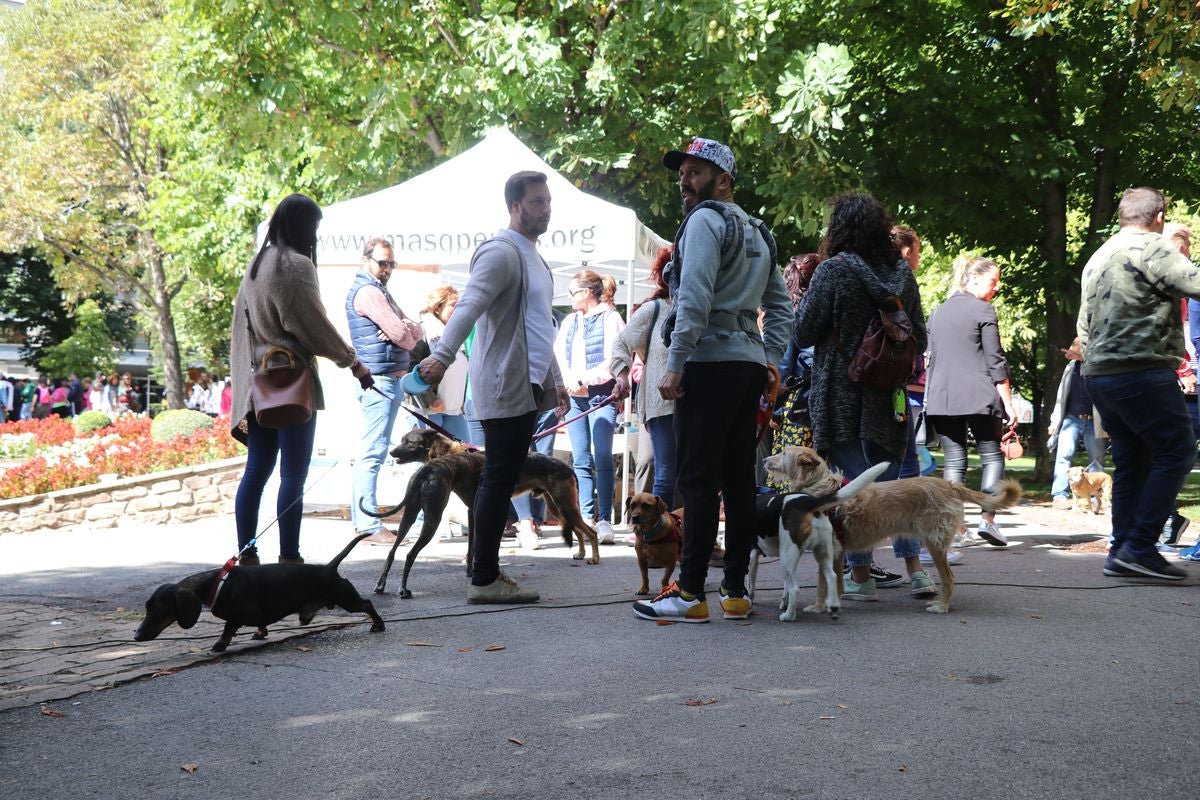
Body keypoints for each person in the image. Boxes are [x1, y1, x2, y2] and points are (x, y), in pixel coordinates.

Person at [631, 136, 791, 623]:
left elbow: (694, 297)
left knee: (697, 480)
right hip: (744, 367)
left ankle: (692, 592)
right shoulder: (759, 231)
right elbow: (781, 306)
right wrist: (769, 360)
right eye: (682, 173)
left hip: (707, 363)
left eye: (695, 172)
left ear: (724, 180)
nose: (685, 181)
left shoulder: (704, 221)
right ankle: (736, 590)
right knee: (739, 480)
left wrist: (675, 364)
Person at [417, 171, 568, 604]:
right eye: (537, 201)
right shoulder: (502, 253)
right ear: (515, 206)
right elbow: (469, 306)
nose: (546, 209)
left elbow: (540, 327)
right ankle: (484, 577)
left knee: (501, 475)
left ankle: (485, 573)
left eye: (547, 201)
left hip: (528, 385)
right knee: (499, 477)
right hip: (504, 384)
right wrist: (442, 355)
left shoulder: (534, 257)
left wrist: (555, 380)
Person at [791, 193, 932, 602]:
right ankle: (916, 571)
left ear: (839, 229)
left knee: (850, 485)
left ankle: (861, 574)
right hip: (889, 394)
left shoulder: (832, 272)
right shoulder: (902, 275)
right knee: (888, 485)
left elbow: (803, 332)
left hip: (841, 391)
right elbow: (919, 338)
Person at [230, 193, 373, 565]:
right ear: (304, 226)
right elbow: (313, 326)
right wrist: (352, 363)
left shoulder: (256, 265)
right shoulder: (294, 265)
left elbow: (242, 331)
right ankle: (289, 558)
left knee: (256, 471)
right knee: (293, 473)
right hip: (292, 382)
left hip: (259, 385)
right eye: (315, 227)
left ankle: (247, 554)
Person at [1079, 187, 1197, 580]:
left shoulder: (1097, 257)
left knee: (1133, 461)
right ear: (1159, 216)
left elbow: (1083, 326)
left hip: (1099, 375)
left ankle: (1121, 550)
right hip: (1140, 369)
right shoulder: (1155, 247)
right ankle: (1142, 545)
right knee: (1177, 449)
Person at [925, 256, 1015, 548]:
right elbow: (995, 360)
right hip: (979, 395)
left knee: (954, 462)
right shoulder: (983, 310)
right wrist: (1009, 404)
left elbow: (930, 358)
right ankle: (987, 521)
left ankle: (957, 526)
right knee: (991, 456)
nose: (996, 288)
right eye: (993, 282)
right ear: (974, 280)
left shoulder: (937, 312)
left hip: (942, 397)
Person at [346, 237, 425, 546]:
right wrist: (402, 331)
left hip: (386, 378)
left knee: (382, 450)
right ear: (366, 260)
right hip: (379, 380)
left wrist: (405, 329)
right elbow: (404, 337)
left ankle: (370, 523)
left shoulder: (379, 290)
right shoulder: (369, 292)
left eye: (392, 263)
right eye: (383, 263)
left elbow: (413, 331)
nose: (388, 268)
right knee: (373, 452)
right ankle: (367, 525)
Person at [555, 269, 625, 544]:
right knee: (581, 458)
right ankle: (586, 516)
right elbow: (559, 354)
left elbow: (614, 358)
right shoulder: (570, 321)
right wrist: (571, 381)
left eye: (573, 293)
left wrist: (586, 379)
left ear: (586, 293)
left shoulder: (611, 318)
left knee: (603, 456)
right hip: (575, 395)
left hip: (600, 394)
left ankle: (605, 519)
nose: (570, 298)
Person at [611, 248, 676, 506]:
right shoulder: (655, 310)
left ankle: (686, 536)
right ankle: (659, 538)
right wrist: (623, 376)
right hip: (661, 406)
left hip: (697, 404)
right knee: (666, 472)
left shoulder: (708, 308)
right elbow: (621, 345)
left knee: (691, 476)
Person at [1047, 337, 1107, 510]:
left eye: (1074, 349)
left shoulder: (1098, 368)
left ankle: (1096, 497)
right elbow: (1061, 396)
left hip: (1093, 421)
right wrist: (1054, 421)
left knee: (1096, 460)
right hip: (1071, 419)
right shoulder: (1070, 368)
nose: (1070, 353)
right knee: (1063, 456)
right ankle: (1059, 495)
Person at [417, 285, 470, 442]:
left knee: (465, 455)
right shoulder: (423, 330)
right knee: (431, 460)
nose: (457, 310)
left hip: (453, 409)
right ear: (437, 307)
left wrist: (461, 401)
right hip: (431, 410)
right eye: (453, 305)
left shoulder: (455, 332)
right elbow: (412, 368)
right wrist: (430, 399)